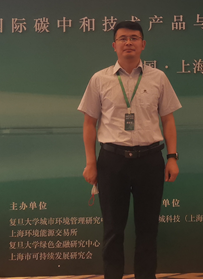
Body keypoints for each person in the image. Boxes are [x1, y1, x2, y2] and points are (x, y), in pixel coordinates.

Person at [77, 20, 181, 279]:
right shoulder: (99, 79)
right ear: (114, 46)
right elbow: (89, 124)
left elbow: (168, 120)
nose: (128, 43)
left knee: (148, 229)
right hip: (112, 161)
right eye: (122, 38)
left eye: (134, 38)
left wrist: (172, 157)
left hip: (150, 160)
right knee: (113, 229)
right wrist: (91, 163)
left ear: (143, 44)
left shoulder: (158, 78)